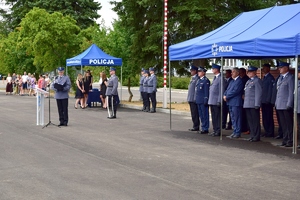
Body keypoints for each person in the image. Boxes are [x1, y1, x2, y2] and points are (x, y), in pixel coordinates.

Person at [275, 61, 294, 147]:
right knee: (282, 124)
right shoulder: (280, 78)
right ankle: (285, 139)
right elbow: (278, 92)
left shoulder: (290, 78)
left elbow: (291, 92)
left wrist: (289, 104)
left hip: (286, 104)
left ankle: (290, 140)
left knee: (288, 123)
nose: (279, 69)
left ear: (286, 68)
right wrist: (276, 103)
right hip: (279, 104)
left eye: (281, 67)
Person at [243, 66, 263, 142]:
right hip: (248, 104)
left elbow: (258, 93)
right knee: (250, 121)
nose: (249, 73)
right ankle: (252, 135)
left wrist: (257, 104)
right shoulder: (248, 81)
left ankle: (256, 136)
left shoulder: (257, 81)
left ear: (255, 72)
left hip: (253, 104)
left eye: (251, 72)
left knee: (255, 121)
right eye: (248, 72)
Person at [224, 67, 244, 139]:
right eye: (232, 72)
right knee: (232, 118)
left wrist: (227, 96)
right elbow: (227, 89)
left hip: (236, 102)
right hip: (230, 102)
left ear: (237, 73)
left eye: (233, 72)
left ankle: (237, 132)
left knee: (237, 117)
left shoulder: (239, 81)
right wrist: (224, 95)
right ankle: (234, 131)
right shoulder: (232, 81)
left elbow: (235, 91)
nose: (232, 73)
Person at [208, 64, 224, 136]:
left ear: (217, 69)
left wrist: (219, 100)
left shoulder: (220, 78)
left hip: (216, 101)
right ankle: (215, 130)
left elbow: (221, 90)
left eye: (213, 69)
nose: (212, 70)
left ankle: (218, 130)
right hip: (212, 101)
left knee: (217, 117)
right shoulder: (215, 78)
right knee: (214, 116)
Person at [195, 67, 210, 134]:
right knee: (201, 115)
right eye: (198, 71)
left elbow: (206, 91)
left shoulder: (206, 80)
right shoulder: (199, 80)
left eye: (200, 71)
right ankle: (203, 127)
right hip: (199, 100)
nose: (198, 72)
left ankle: (205, 128)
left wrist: (206, 99)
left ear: (203, 72)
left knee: (205, 115)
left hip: (203, 100)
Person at [261, 63, 275, 137]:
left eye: (265, 68)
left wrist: (268, 100)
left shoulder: (270, 78)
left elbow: (270, 90)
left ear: (268, 69)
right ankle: (267, 131)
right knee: (265, 117)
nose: (263, 69)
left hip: (267, 101)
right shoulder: (264, 77)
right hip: (263, 101)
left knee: (269, 117)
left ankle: (270, 132)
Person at [187, 65, 199, 132]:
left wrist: (194, 98)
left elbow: (196, 90)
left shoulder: (197, 78)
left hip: (194, 99)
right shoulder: (192, 78)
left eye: (192, 70)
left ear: (195, 71)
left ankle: (196, 126)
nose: (190, 72)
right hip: (190, 98)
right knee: (193, 113)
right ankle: (194, 125)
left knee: (195, 113)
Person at [239, 67, 250, 134]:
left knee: (246, 115)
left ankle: (247, 128)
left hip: (245, 99)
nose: (240, 74)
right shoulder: (241, 79)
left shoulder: (246, 79)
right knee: (242, 114)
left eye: (240, 73)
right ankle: (243, 128)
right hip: (241, 99)